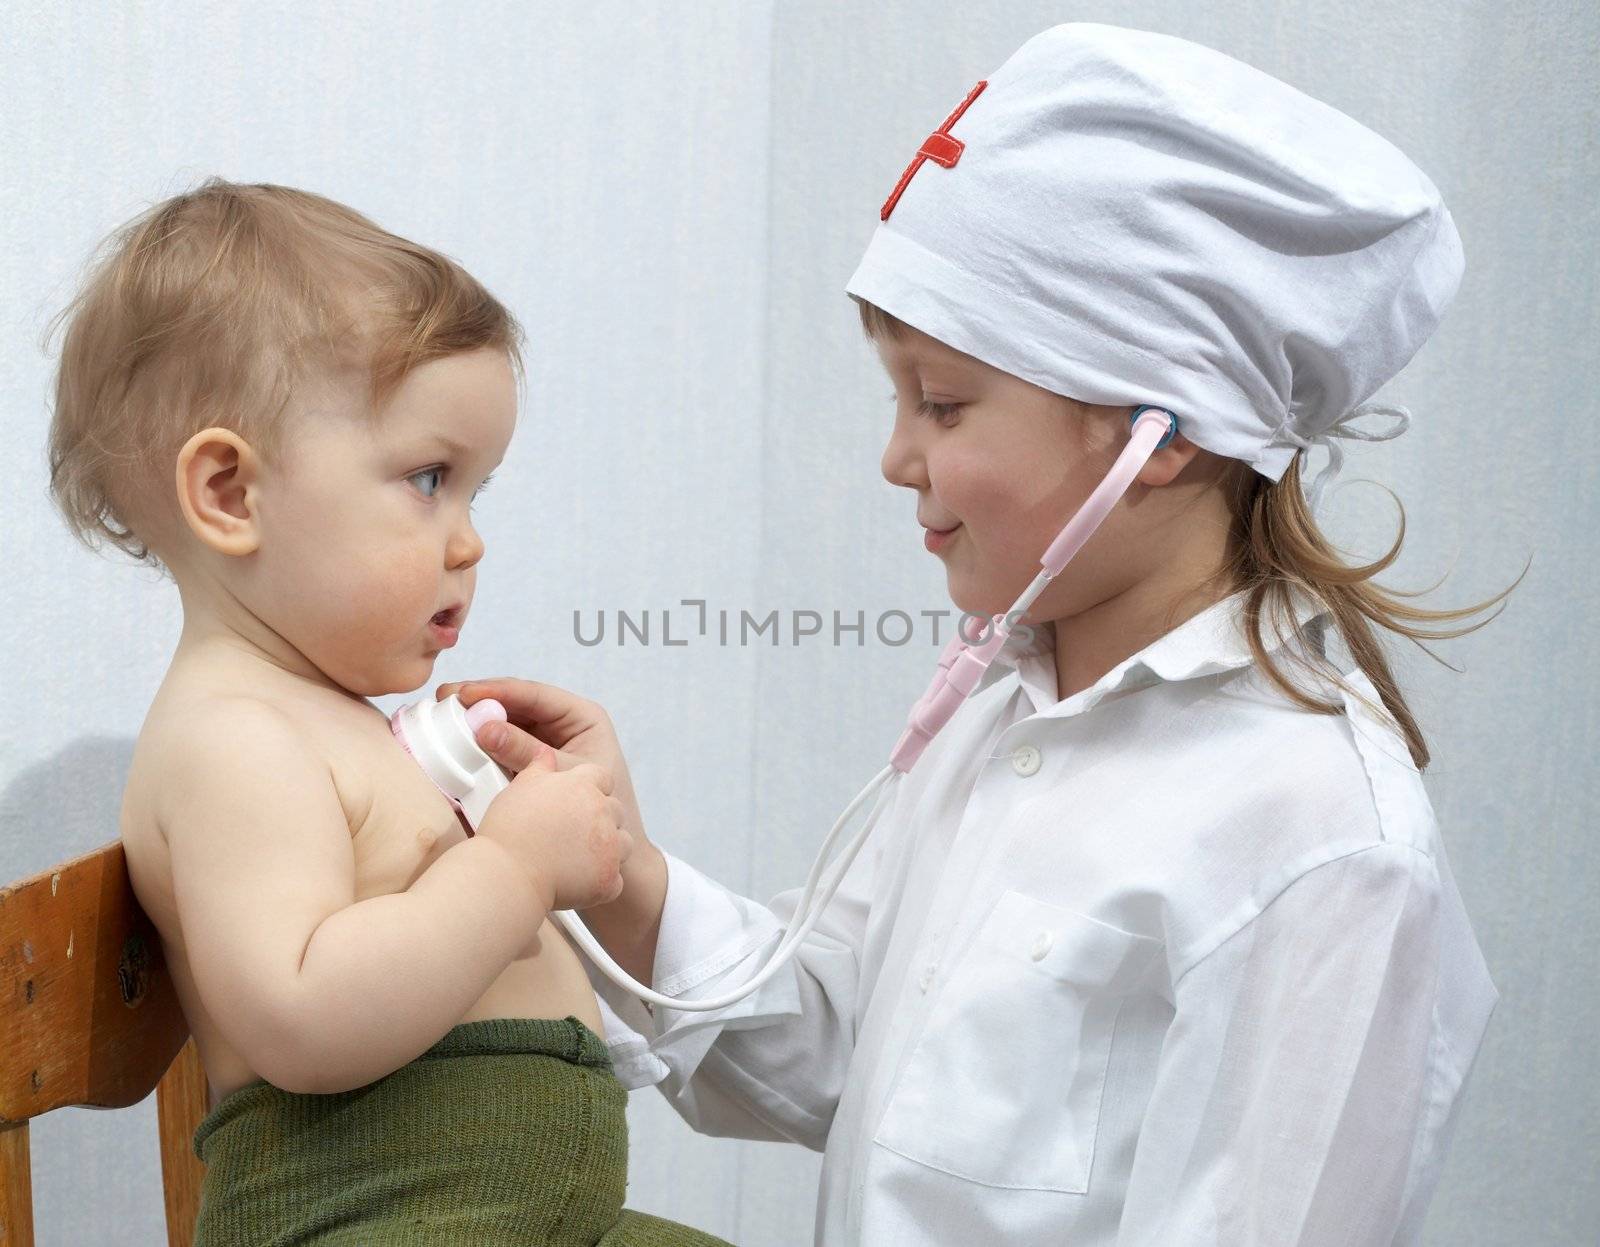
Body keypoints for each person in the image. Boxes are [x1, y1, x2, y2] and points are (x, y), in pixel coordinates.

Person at [444, 23, 1520, 1246]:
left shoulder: (1320, 842)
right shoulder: (1005, 702)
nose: (897, 457)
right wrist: (617, 868)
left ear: (1158, 437)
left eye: (942, 402)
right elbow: (835, 1047)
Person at [46, 178, 730, 1246]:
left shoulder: (335, 720)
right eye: (427, 478)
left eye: (476, 490)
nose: (468, 540)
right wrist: (509, 870)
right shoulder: (234, 737)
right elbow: (304, 1013)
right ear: (230, 492)